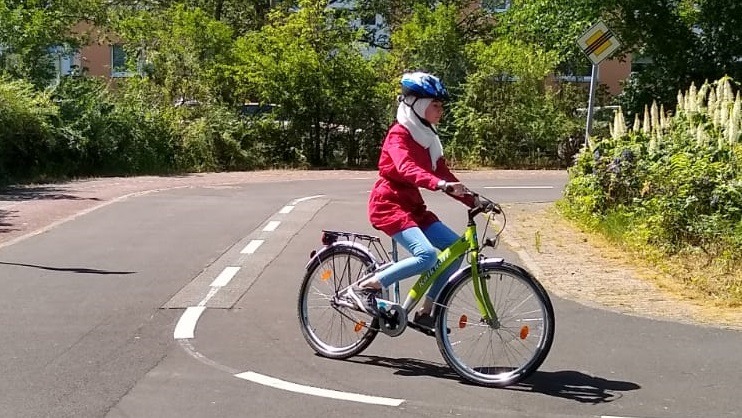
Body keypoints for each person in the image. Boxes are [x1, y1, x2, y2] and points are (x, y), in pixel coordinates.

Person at [344, 71, 475, 332]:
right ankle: (364, 287)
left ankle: (427, 311)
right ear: (418, 105)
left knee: (455, 248)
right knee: (426, 256)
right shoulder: (398, 135)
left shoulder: (427, 139)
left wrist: (476, 201)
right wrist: (439, 185)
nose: (441, 111)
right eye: (435, 105)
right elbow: (405, 168)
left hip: (413, 205)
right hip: (388, 203)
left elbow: (442, 173)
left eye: (441, 106)